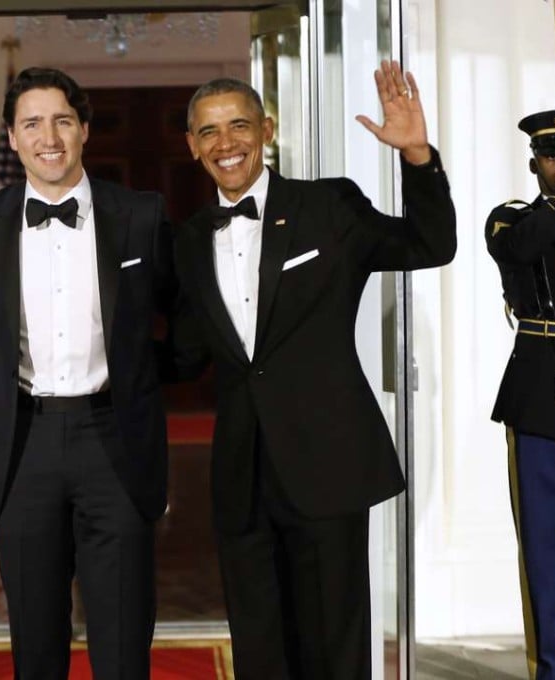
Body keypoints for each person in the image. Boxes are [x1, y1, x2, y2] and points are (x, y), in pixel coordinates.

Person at [171, 60, 456, 678]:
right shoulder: (188, 240)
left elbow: (430, 246)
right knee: (260, 647)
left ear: (267, 130)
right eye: (210, 132)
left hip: (327, 463)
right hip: (242, 475)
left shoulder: (328, 204)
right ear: (192, 146)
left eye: (240, 125)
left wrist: (418, 159)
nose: (227, 144)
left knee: (335, 646)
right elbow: (185, 355)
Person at [0, 67, 176, 679]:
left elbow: (184, 316)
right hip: (22, 442)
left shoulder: (140, 213)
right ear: (12, 135)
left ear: (83, 128)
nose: (47, 136)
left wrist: (145, 376)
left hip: (116, 437)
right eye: (31, 123)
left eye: (61, 120)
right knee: (34, 639)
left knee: (124, 636)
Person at [487, 109, 555, 680]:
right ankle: (552, 665)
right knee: (543, 544)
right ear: (534, 161)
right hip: (542, 391)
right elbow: (526, 246)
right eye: (552, 154)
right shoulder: (512, 217)